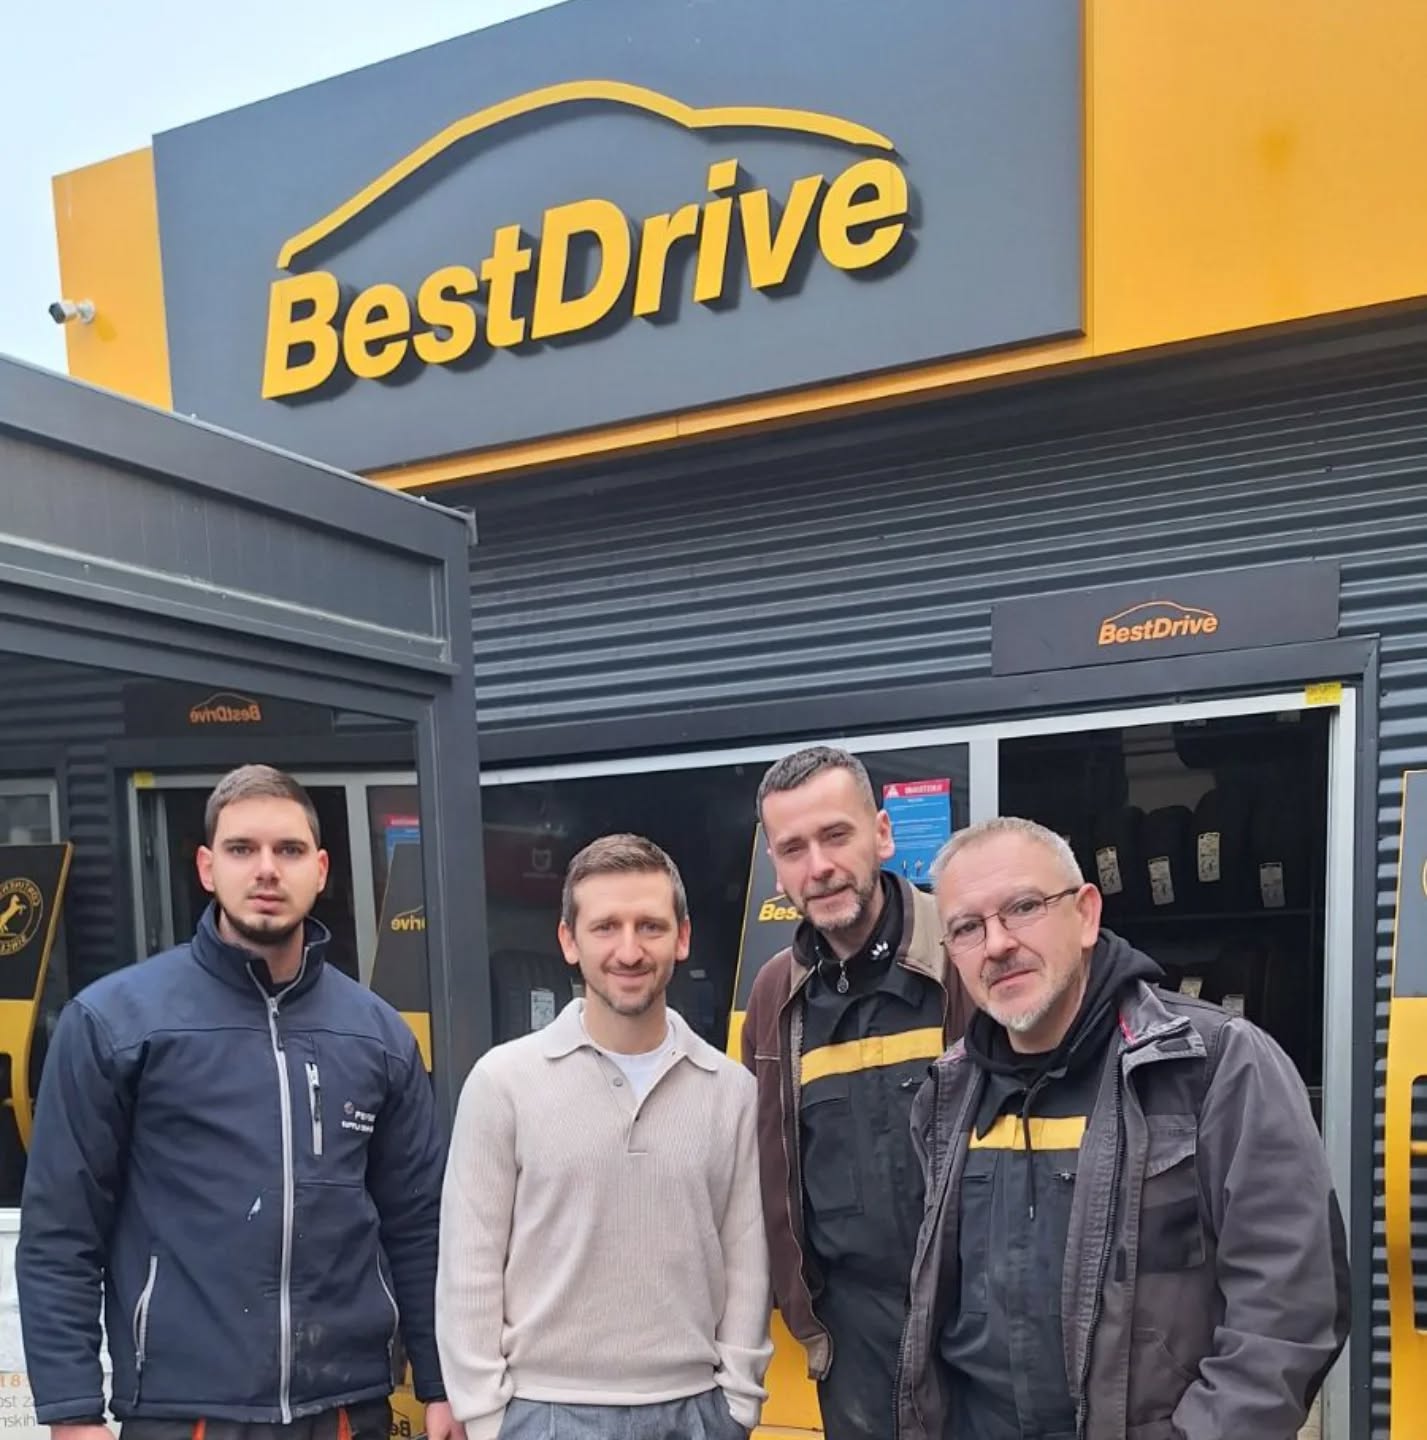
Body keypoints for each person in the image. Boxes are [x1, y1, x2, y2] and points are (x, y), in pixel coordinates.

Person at [17, 765, 451, 1440]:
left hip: (345, 1410)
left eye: (289, 850)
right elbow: (61, 1231)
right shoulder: (115, 1024)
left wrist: (442, 1384)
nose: (267, 869)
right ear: (206, 867)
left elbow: (419, 1226)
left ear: (321, 870)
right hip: (184, 1411)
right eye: (242, 849)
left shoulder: (377, 1036)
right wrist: (72, 1411)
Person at [898, 815, 1351, 1440]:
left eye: (1023, 908)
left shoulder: (1214, 1064)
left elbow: (1289, 1308)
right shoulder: (946, 1093)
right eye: (967, 927)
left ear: (1086, 914)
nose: (997, 944)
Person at [436, 833, 771, 1440]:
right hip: (542, 1414)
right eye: (605, 927)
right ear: (569, 941)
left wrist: (738, 1404)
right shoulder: (502, 1083)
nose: (629, 950)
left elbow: (746, 1260)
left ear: (682, 937)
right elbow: (469, 1263)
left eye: (650, 926)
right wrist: (487, 1417)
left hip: (694, 1412)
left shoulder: (731, 1092)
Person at [741, 746, 969, 1440]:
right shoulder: (775, 998)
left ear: (882, 833)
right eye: (793, 849)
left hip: (981, 1329)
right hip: (853, 1344)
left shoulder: (965, 955)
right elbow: (766, 1169)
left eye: (836, 835)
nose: (819, 867)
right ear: (776, 867)